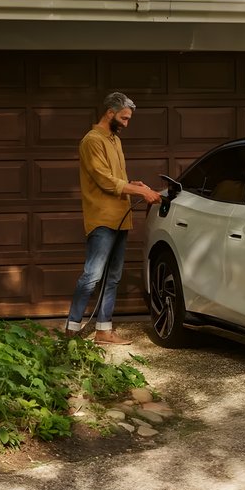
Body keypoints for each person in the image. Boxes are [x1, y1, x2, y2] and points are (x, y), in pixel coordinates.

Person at [65, 92, 161, 344]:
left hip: (121, 217)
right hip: (102, 219)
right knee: (92, 276)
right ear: (110, 113)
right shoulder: (92, 141)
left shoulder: (114, 140)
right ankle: (71, 329)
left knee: (113, 277)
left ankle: (103, 331)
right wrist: (141, 191)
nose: (127, 123)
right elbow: (104, 180)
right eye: (124, 118)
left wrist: (132, 184)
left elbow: (115, 177)